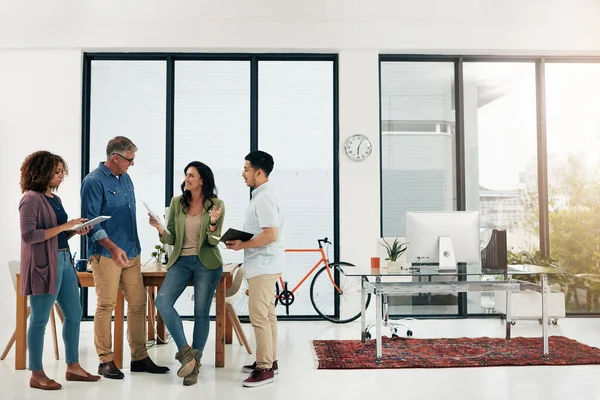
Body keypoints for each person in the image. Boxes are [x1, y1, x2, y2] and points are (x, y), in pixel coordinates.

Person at [81, 136, 169, 379]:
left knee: (139, 304)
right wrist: (112, 248)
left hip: (132, 251)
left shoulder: (126, 179)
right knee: (106, 305)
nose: (132, 164)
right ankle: (105, 361)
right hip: (107, 255)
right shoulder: (93, 182)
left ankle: (139, 357)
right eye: (129, 160)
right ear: (115, 158)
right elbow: (91, 223)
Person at [19, 151, 101, 390]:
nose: (60, 175)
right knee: (39, 319)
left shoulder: (55, 199)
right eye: (56, 171)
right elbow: (29, 236)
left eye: (61, 171)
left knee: (74, 314)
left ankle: (73, 367)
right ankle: (36, 373)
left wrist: (75, 230)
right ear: (41, 172)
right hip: (45, 264)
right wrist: (65, 225)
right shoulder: (30, 199)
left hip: (65, 261)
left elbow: (57, 234)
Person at [149, 161, 225, 386]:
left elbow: (213, 240)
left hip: (206, 261)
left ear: (202, 180)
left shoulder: (216, 204)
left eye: (191, 175)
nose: (187, 179)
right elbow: (171, 237)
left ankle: (195, 365)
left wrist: (212, 224)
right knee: (162, 301)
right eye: (186, 175)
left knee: (200, 312)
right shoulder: (176, 203)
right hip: (181, 261)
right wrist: (160, 229)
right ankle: (186, 353)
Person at [226, 150, 285, 388]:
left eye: (246, 169)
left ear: (259, 172)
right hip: (264, 263)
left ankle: (264, 369)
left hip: (264, 264)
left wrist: (242, 244)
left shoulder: (264, 198)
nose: (243, 174)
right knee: (268, 316)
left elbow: (270, 235)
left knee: (259, 317)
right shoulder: (262, 195)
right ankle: (270, 361)